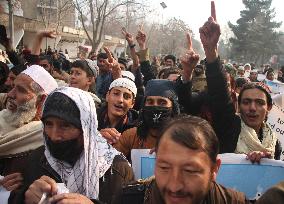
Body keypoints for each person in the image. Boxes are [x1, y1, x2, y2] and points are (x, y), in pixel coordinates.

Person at [11, 87, 134, 204]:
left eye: (65, 126)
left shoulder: (117, 169)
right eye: (48, 124)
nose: (54, 136)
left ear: (85, 128)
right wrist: (24, 198)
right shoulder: (37, 158)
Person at [199, 9, 281, 161]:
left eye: (259, 102)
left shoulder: (274, 142)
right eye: (246, 101)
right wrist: (211, 50)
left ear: (269, 107)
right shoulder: (230, 126)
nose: (252, 108)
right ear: (238, 105)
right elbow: (220, 94)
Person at [113, 115, 250, 204]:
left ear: (214, 169)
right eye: (164, 168)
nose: (175, 186)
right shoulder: (128, 200)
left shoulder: (234, 201)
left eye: (190, 171)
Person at [0, 65, 58, 191]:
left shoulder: (46, 140)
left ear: (41, 100)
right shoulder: (2, 118)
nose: (10, 94)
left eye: (20, 90)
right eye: (12, 87)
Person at [111, 79, 181, 159]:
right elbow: (111, 163)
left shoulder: (182, 139)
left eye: (162, 103)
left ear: (172, 107)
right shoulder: (131, 136)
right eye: (150, 102)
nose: (155, 106)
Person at [98, 77, 138, 144]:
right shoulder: (91, 118)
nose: (120, 100)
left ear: (132, 103)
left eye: (126, 96)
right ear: (107, 96)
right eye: (116, 93)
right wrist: (96, 136)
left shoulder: (137, 129)